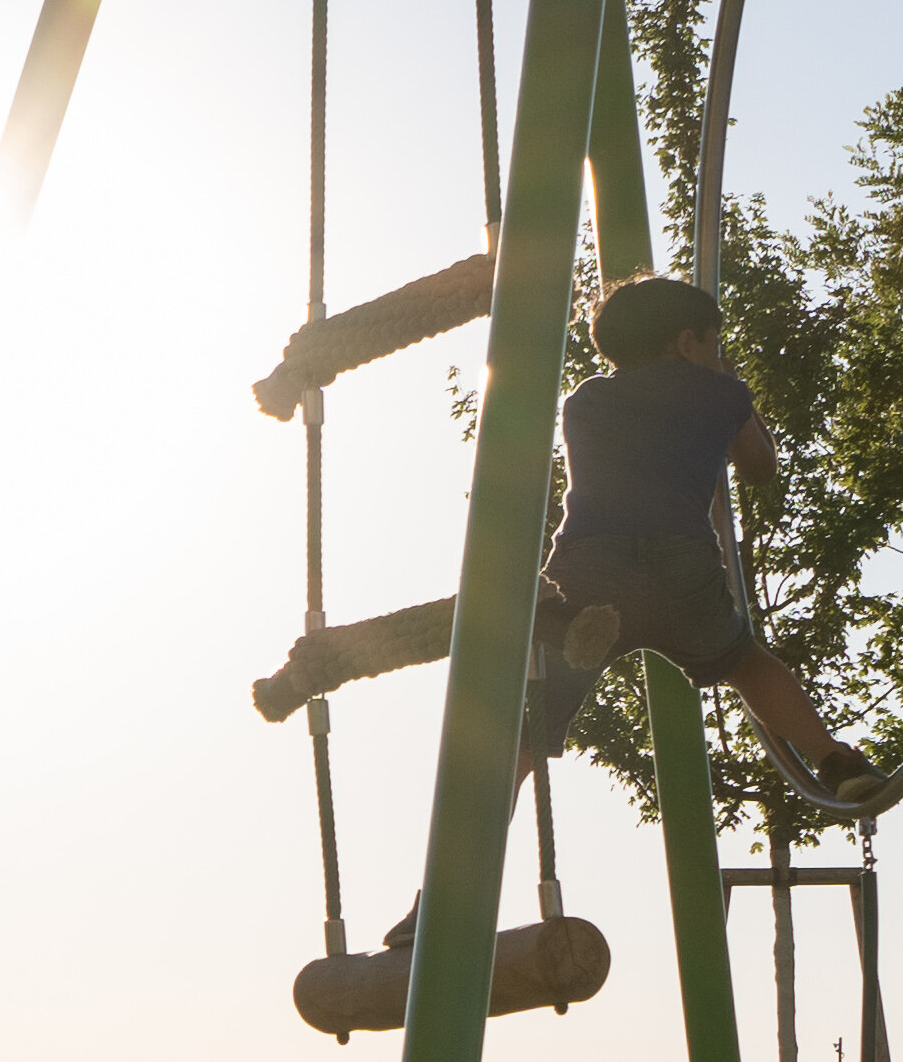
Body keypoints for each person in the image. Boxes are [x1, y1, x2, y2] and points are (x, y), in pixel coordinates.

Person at [242, 275, 848, 791]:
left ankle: (458, 871)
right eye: (713, 342)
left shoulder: (586, 401)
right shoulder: (722, 392)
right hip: (681, 567)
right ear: (689, 343)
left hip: (590, 563)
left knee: (526, 734)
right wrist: (733, 394)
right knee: (745, 663)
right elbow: (760, 468)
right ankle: (833, 760)